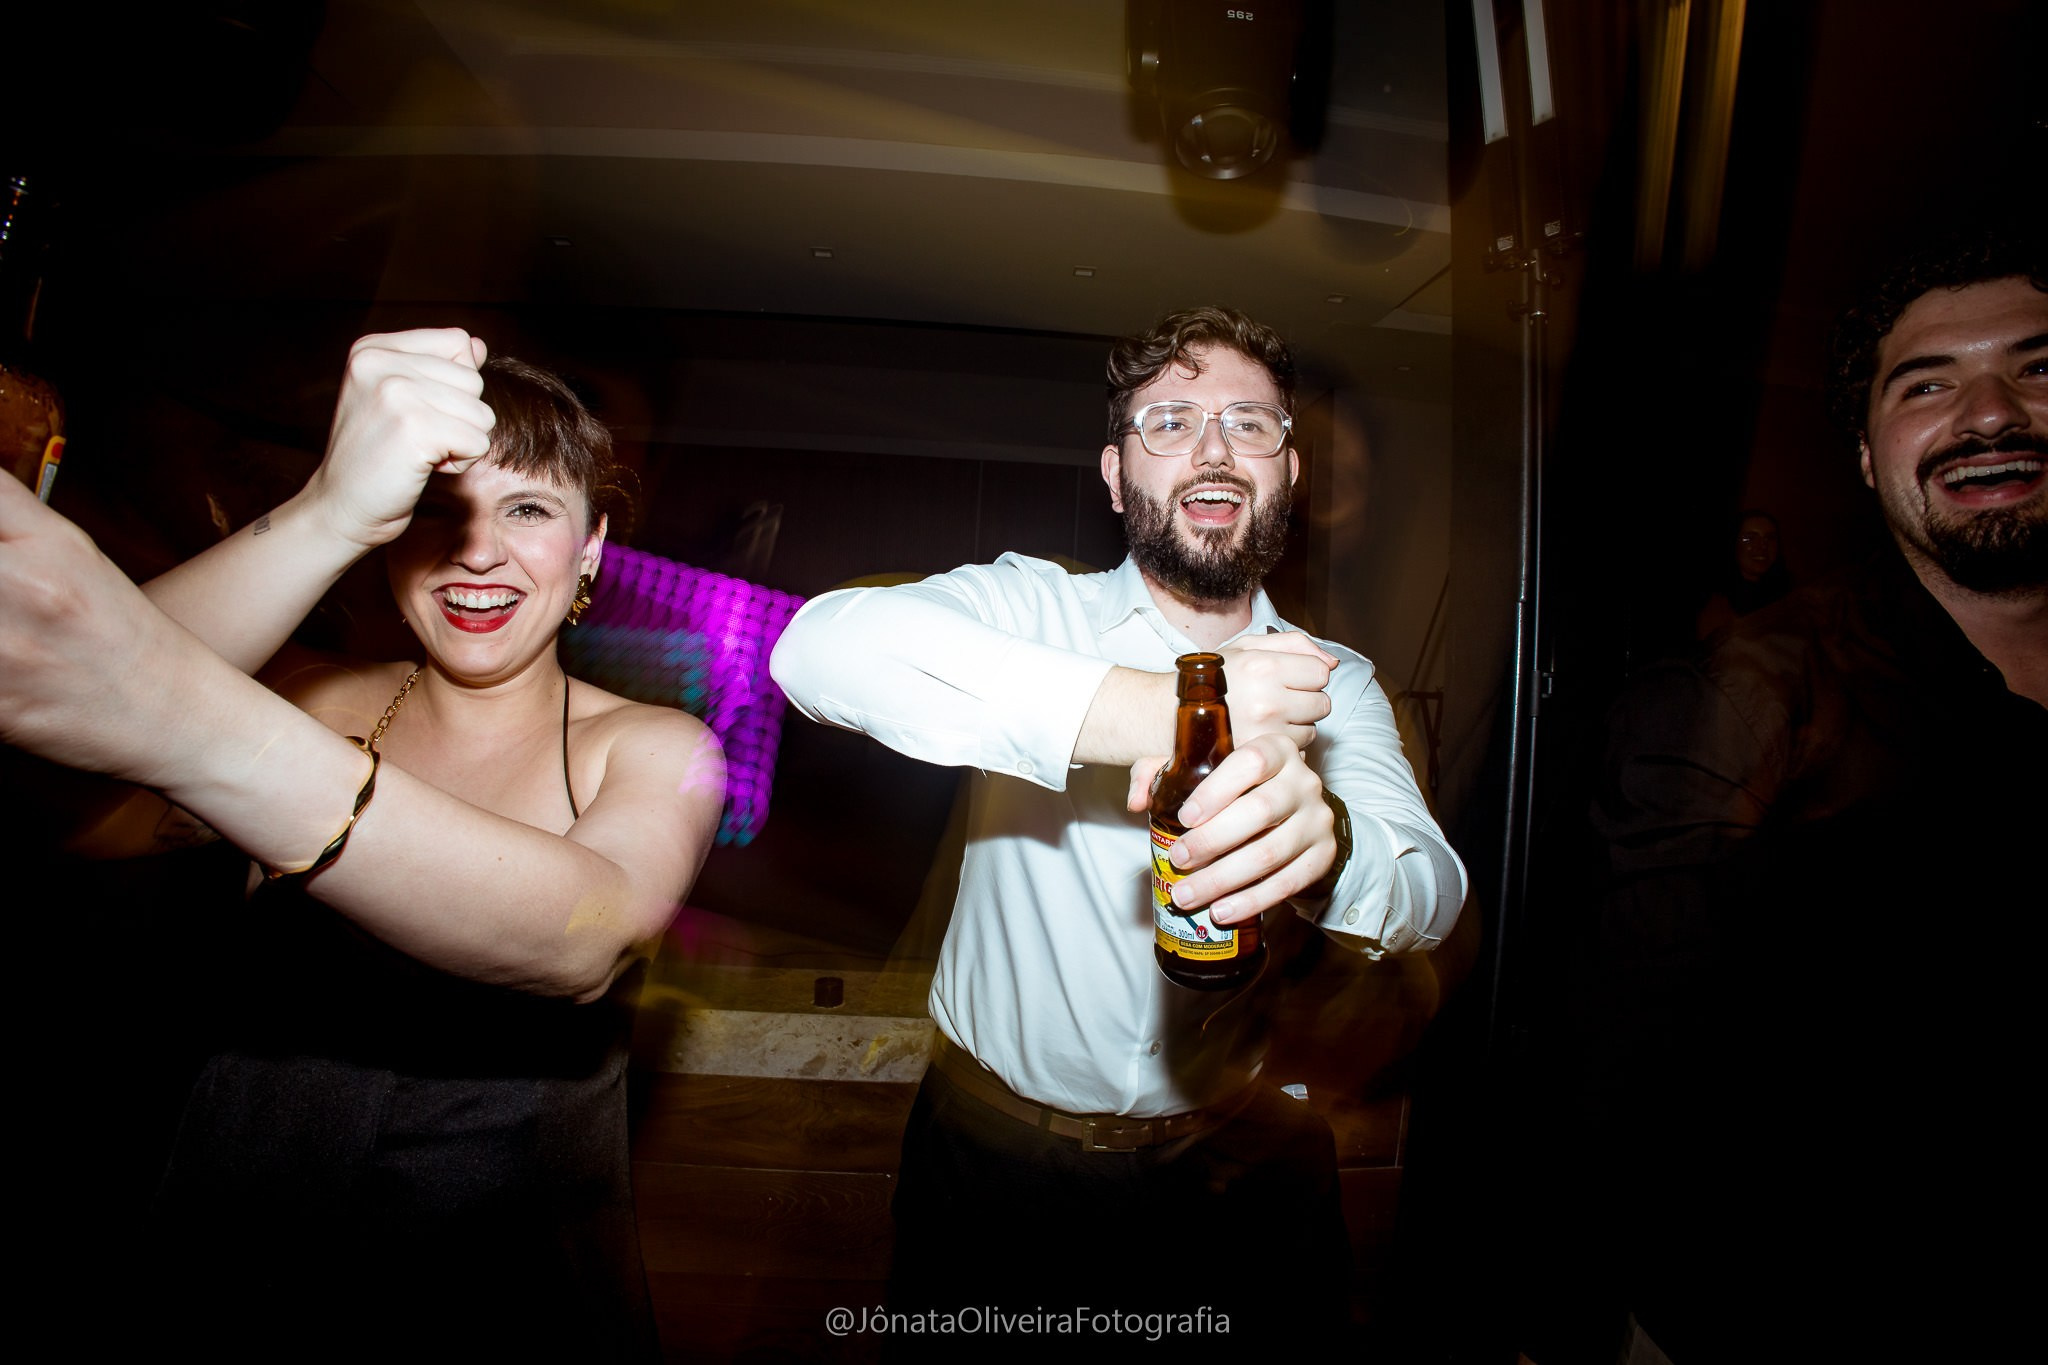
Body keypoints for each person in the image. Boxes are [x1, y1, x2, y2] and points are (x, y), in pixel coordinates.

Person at [0, 332, 724, 1360]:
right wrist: (324, 515)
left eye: (529, 510)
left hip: (497, 1284)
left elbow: (583, 937)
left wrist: (185, 717)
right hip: (231, 1243)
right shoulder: (308, 696)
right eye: (435, 512)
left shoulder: (656, 748)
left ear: (594, 543)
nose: (479, 553)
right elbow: (64, 807)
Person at [770, 306, 1465, 1341]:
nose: (1212, 449)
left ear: (1289, 472)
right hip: (995, 1172)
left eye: (1249, 424)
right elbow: (814, 651)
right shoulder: (1030, 608)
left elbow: (1431, 895)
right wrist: (1167, 708)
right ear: (1112, 474)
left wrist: (1332, 848)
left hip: (1241, 1176)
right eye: (1170, 422)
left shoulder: (1334, 685)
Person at [1585, 231, 2045, 1360]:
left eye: (2036, 367)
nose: (1986, 412)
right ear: (1861, 452)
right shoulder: (1747, 701)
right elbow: (1625, 1071)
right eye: (1926, 384)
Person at [1692, 508, 1790, 638]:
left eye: (1770, 538)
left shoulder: (1787, 596)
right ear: (1733, 543)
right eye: (1749, 538)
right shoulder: (1713, 597)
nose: (1762, 546)